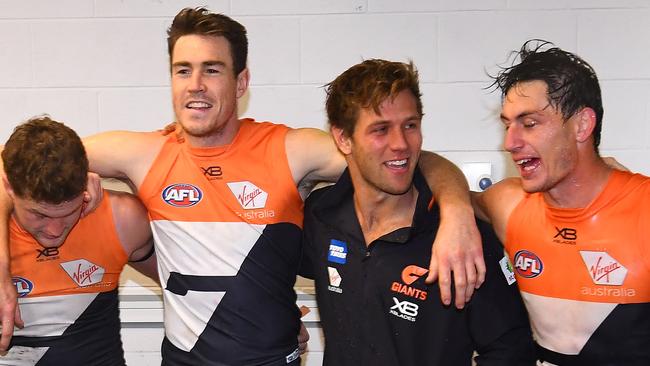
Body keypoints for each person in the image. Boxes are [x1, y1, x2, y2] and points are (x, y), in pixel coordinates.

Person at [0, 8, 484, 364]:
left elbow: (403, 159)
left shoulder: (291, 150)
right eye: (183, 70)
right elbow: (16, 170)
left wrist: (458, 213)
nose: (196, 85)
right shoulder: (142, 153)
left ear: (240, 80)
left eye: (212, 70)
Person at [300, 59, 535, 365]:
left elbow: (512, 351)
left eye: (410, 125)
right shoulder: (321, 215)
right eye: (380, 130)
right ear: (344, 139)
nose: (401, 144)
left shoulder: (465, 237)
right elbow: (266, 272)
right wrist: (279, 321)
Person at [474, 40, 650, 365]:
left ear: (582, 125)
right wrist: (456, 217)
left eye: (529, 123)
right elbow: (424, 170)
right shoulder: (510, 204)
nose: (510, 142)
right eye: (507, 125)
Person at [0, 117, 157, 365]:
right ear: (8, 185)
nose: (54, 230)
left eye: (69, 213)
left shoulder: (122, 219)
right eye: (39, 214)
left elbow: (181, 284)